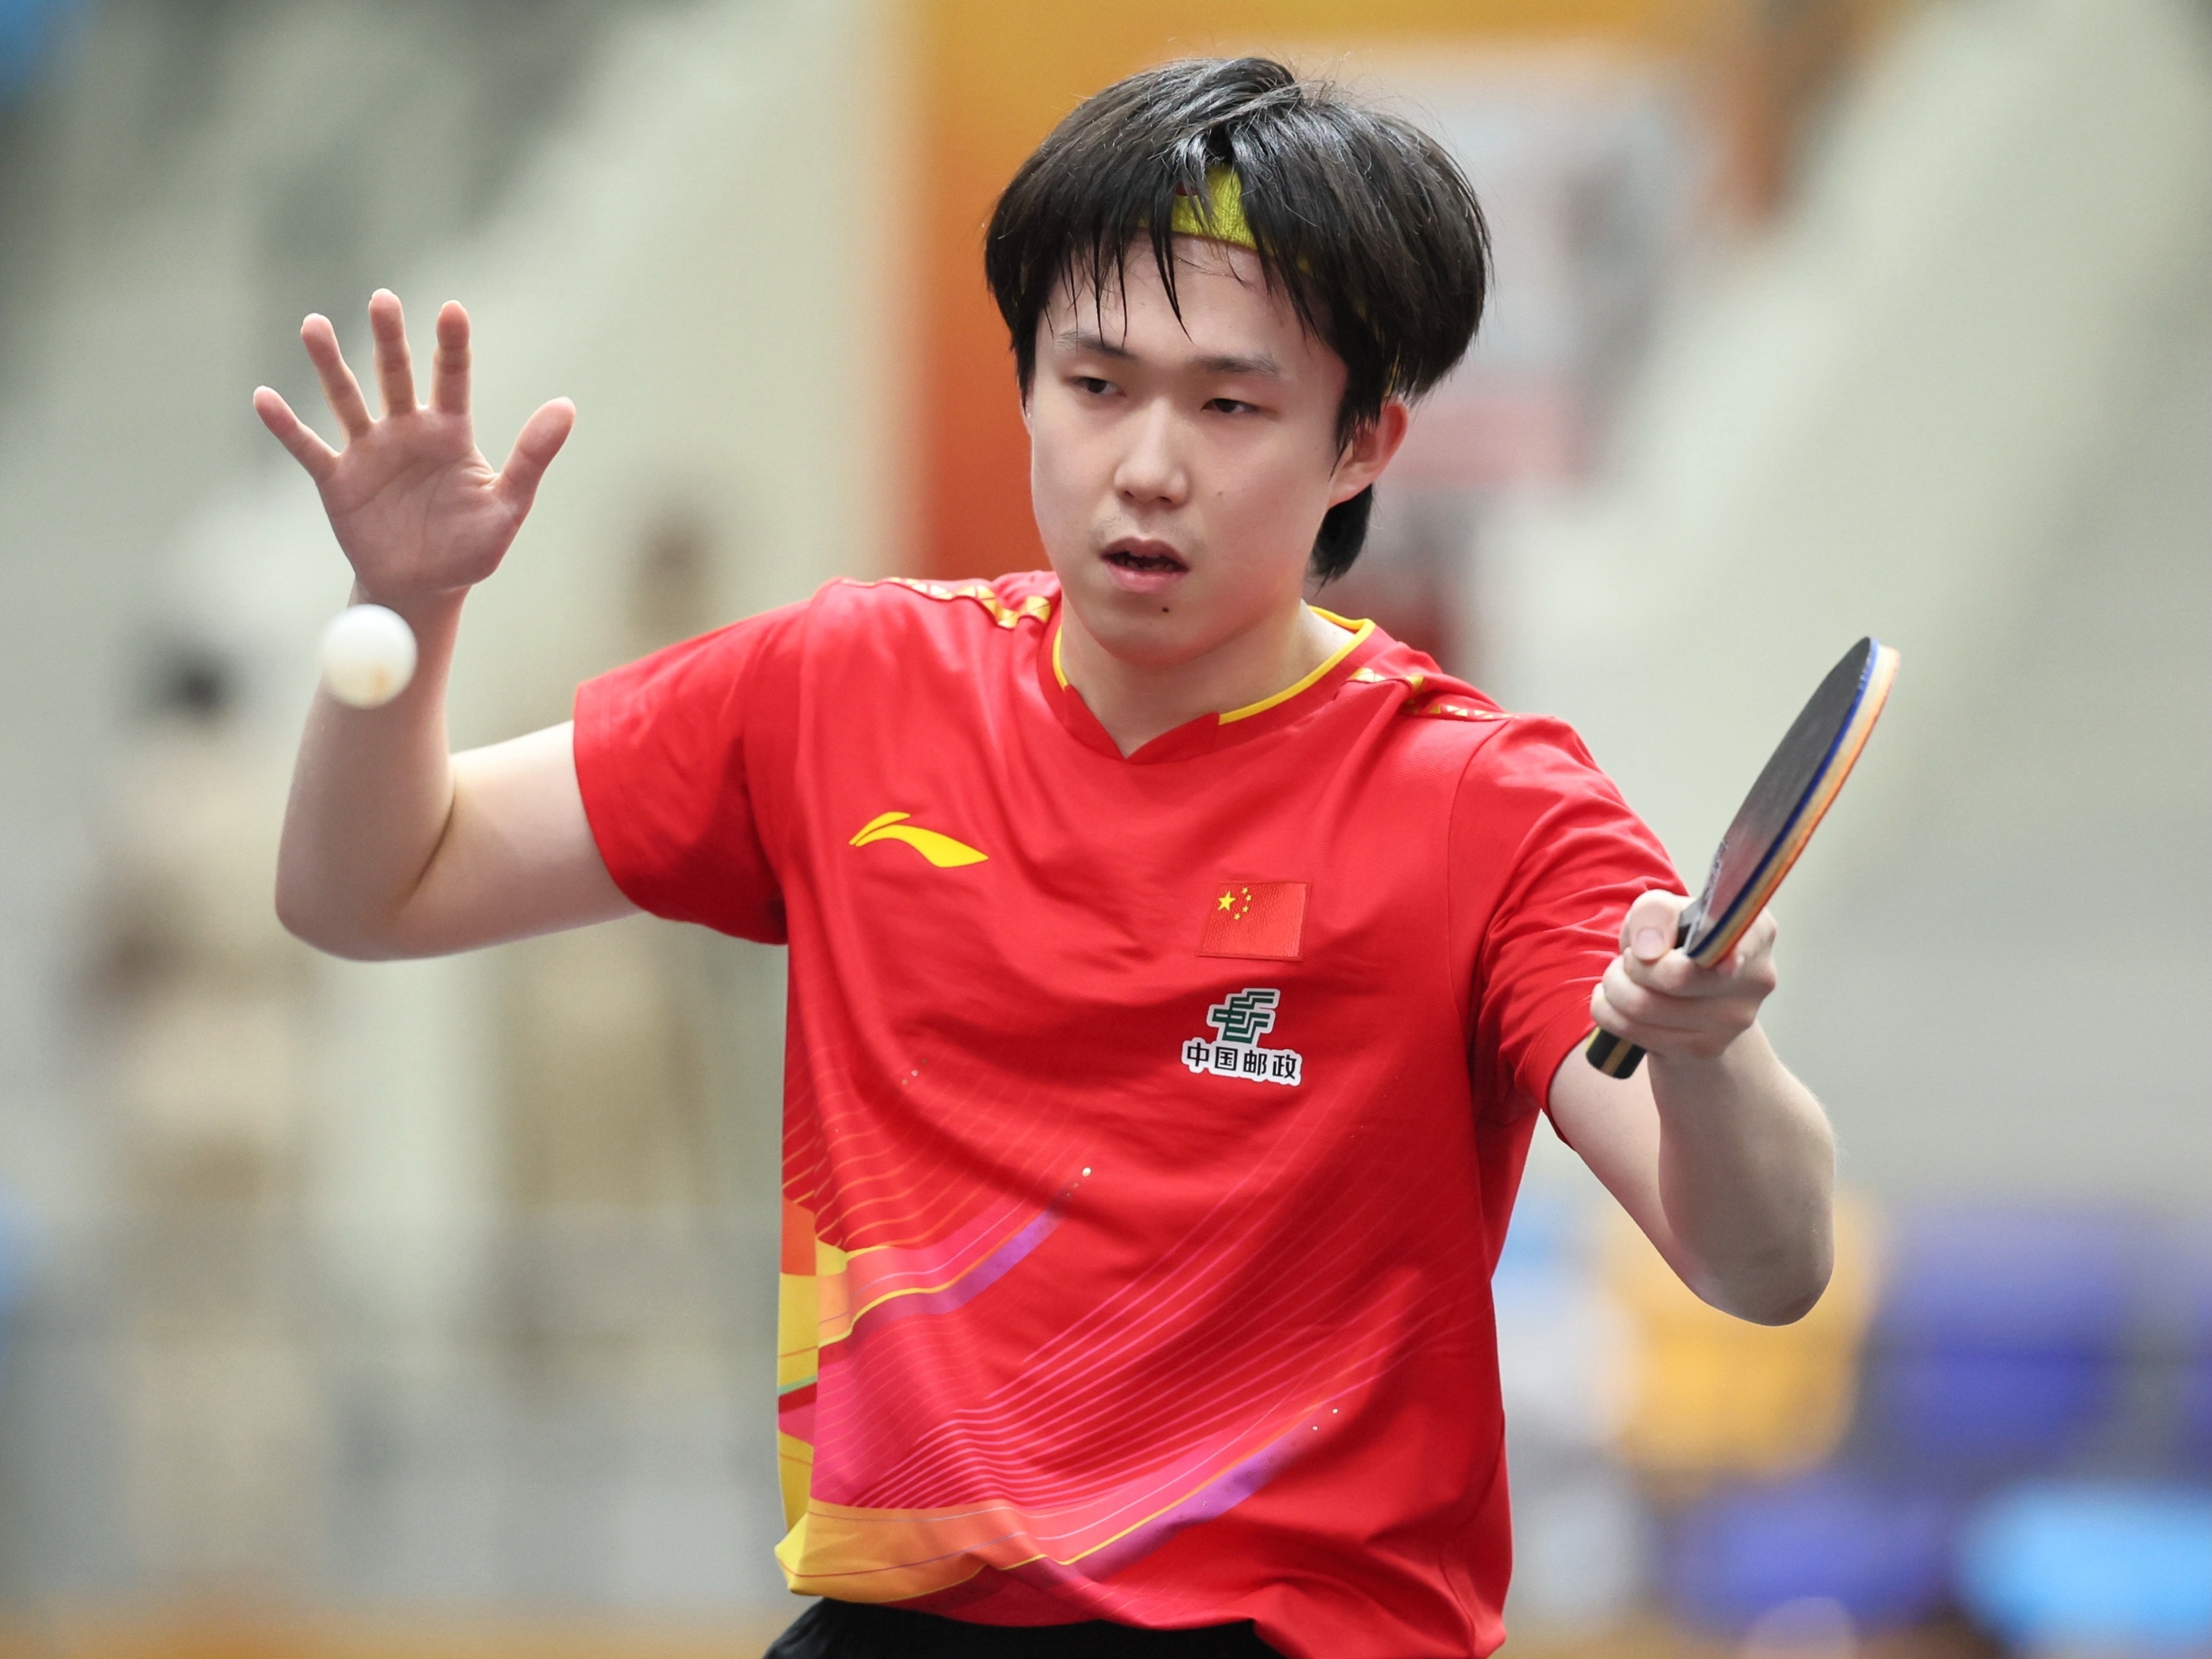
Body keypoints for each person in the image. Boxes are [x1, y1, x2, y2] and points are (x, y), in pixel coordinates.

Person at [256, 55, 1834, 1659]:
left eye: (1229, 403)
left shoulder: (1484, 805)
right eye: (1095, 384)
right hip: (898, 1625)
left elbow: (1758, 1260)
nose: (1147, 462)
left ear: (1363, 439)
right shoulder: (844, 690)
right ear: (1027, 387)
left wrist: (1706, 1053)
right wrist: (402, 603)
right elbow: (370, 885)